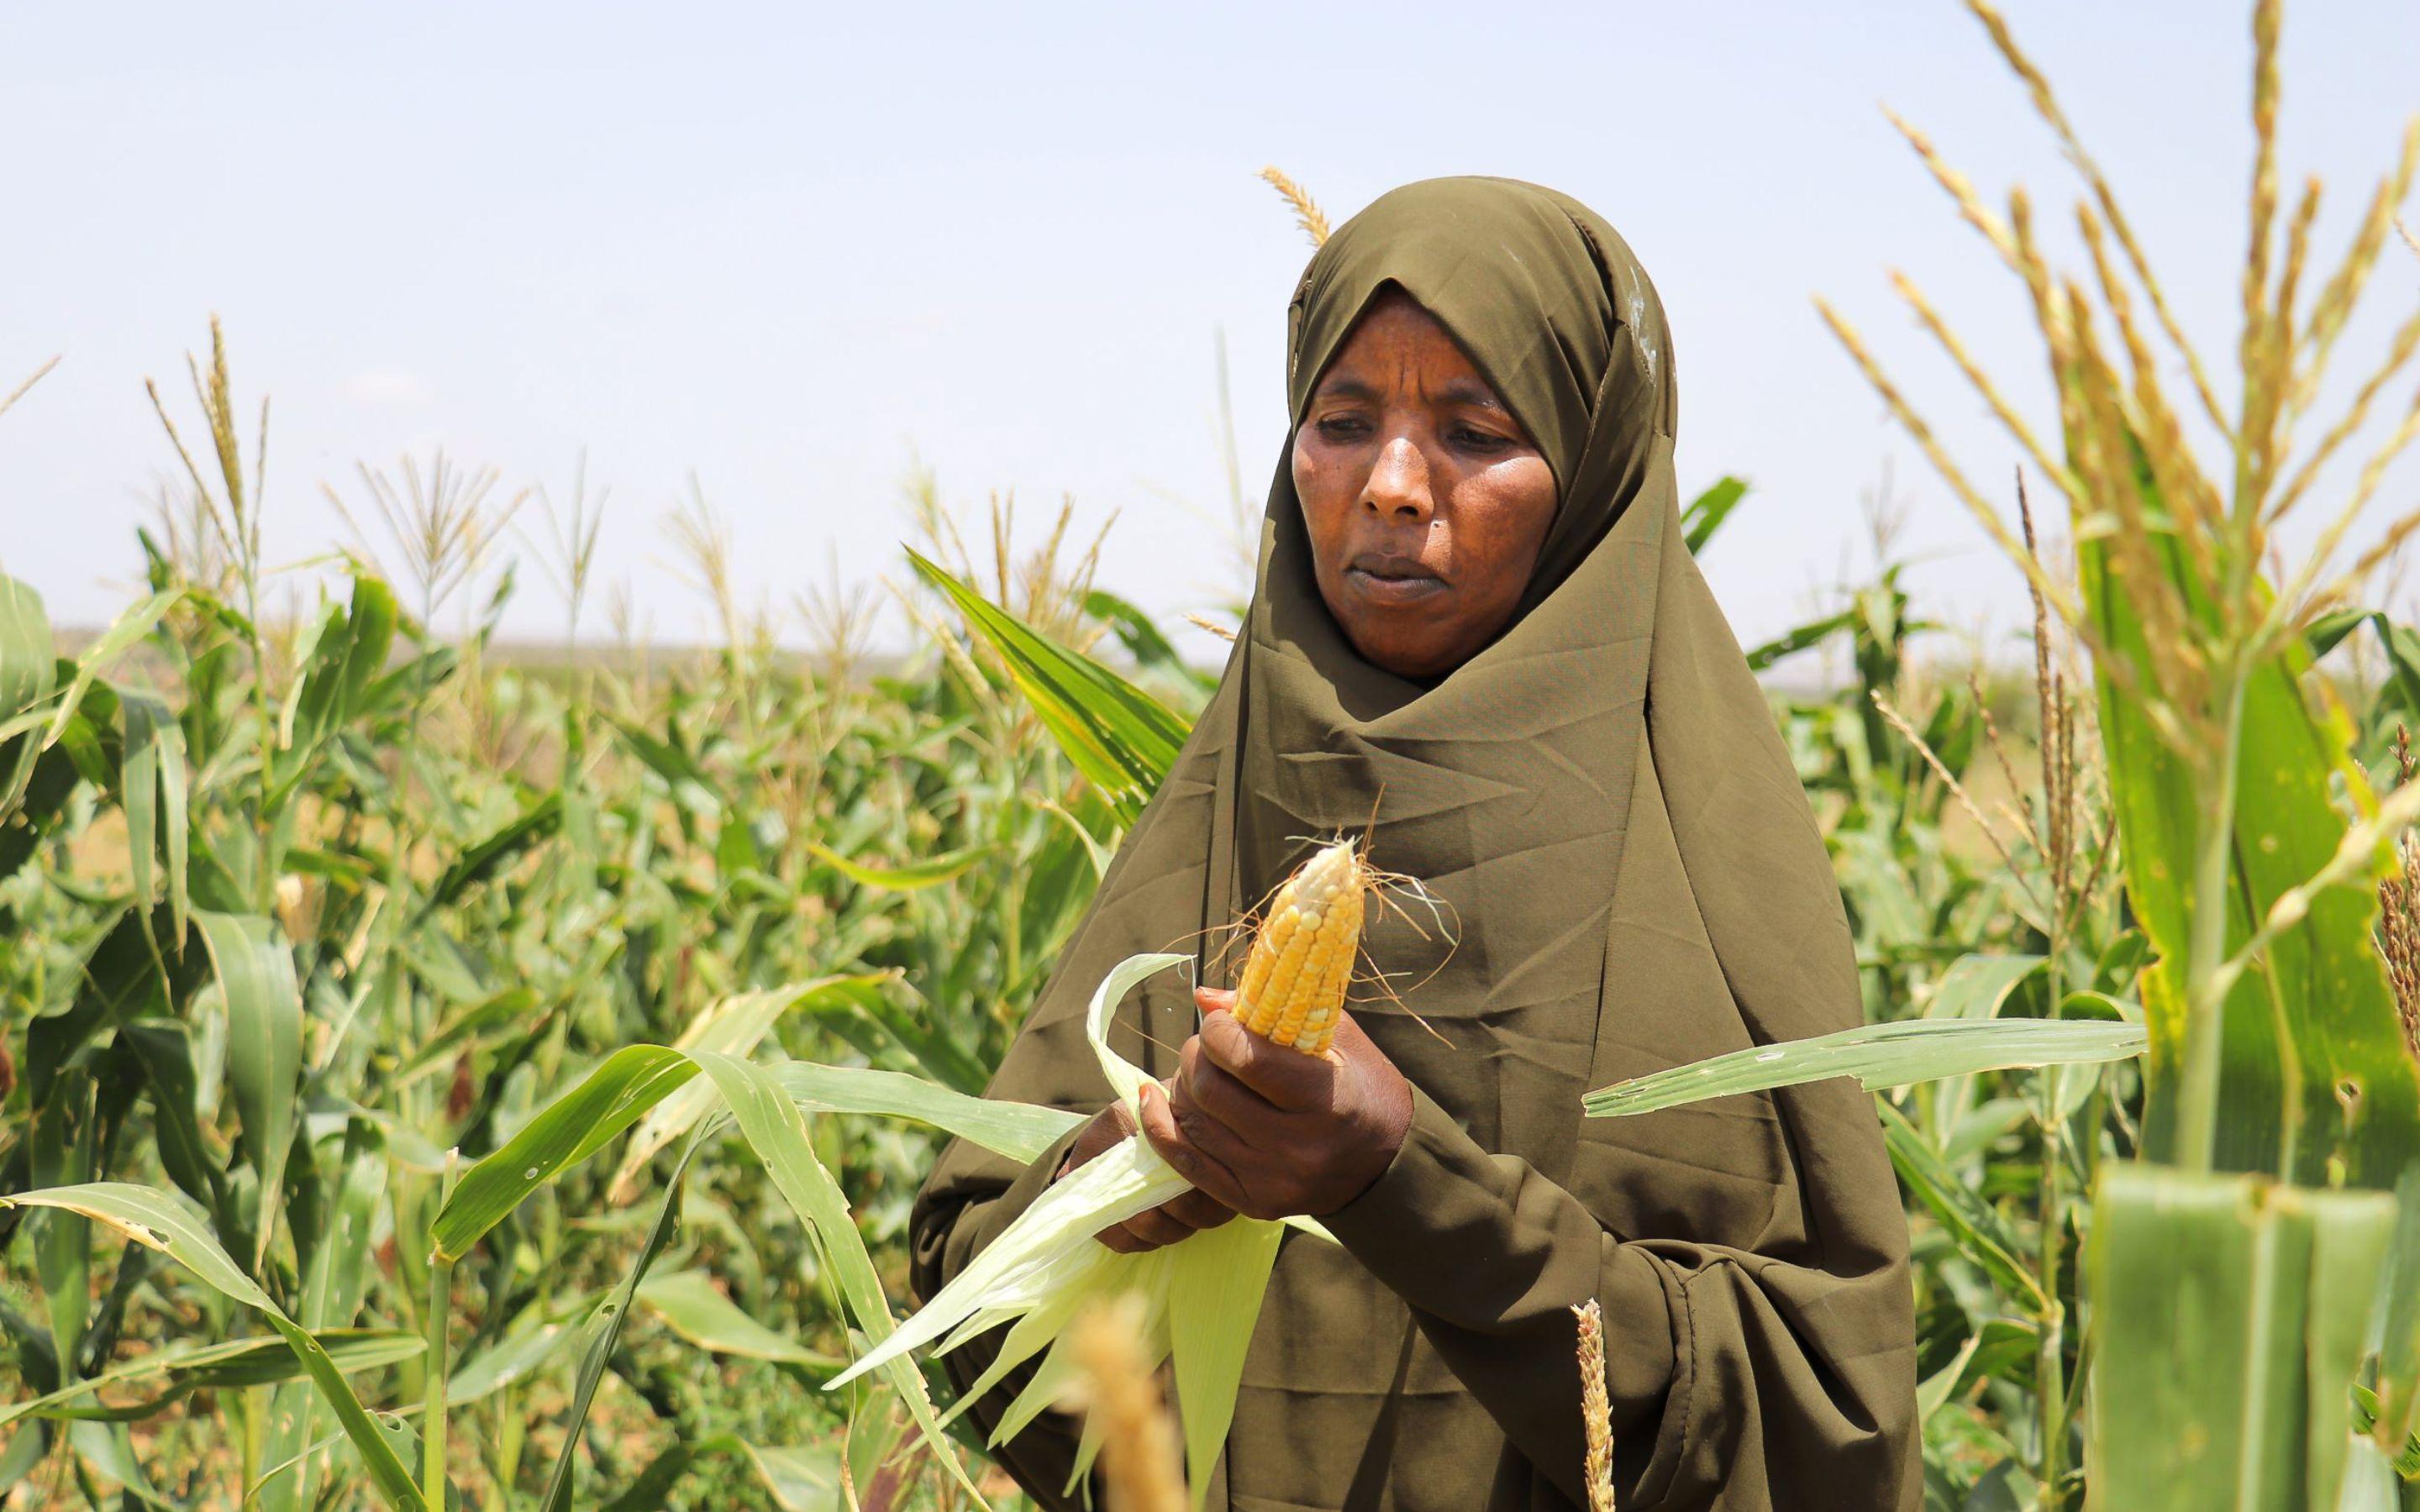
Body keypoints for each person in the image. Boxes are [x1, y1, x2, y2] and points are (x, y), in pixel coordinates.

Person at [911, 176, 1920, 1512]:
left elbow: (1822, 1424)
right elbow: (968, 1306)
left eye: (1473, 431)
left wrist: (1403, 1180)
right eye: (1341, 423)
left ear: (1595, 469)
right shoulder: (1233, 803)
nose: (1391, 486)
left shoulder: (1702, 871)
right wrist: (1120, 1188)